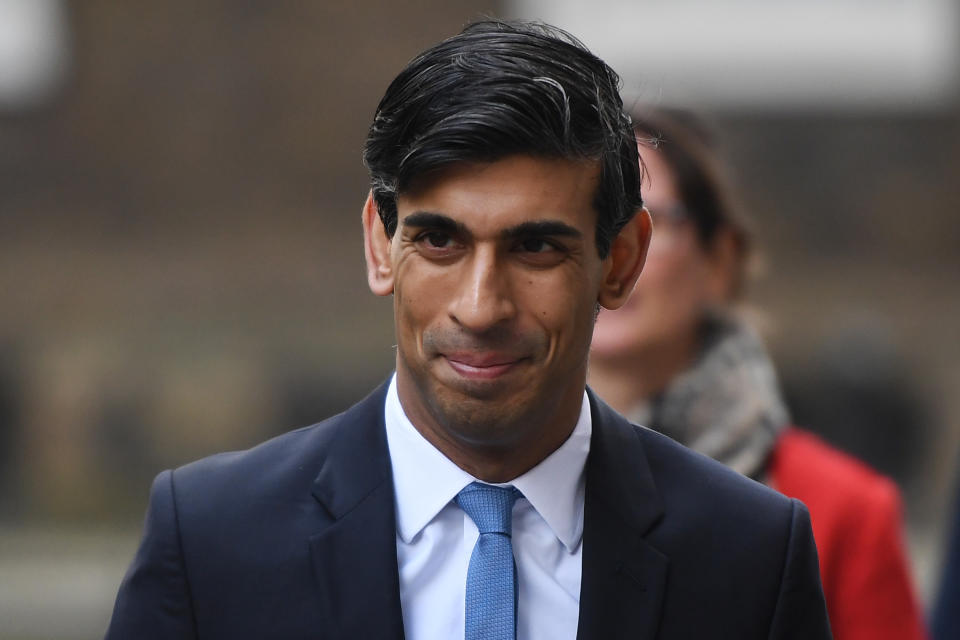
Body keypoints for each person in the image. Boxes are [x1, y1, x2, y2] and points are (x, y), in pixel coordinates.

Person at [106, 21, 831, 639]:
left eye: (535, 247)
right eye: (440, 242)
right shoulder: (211, 542)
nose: (481, 307)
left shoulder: (748, 558)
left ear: (622, 261)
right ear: (378, 245)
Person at [588, 108, 927, 640]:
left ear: (719, 260)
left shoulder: (841, 510)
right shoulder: (496, 479)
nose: (613, 252)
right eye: (589, 221)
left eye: (644, 223)